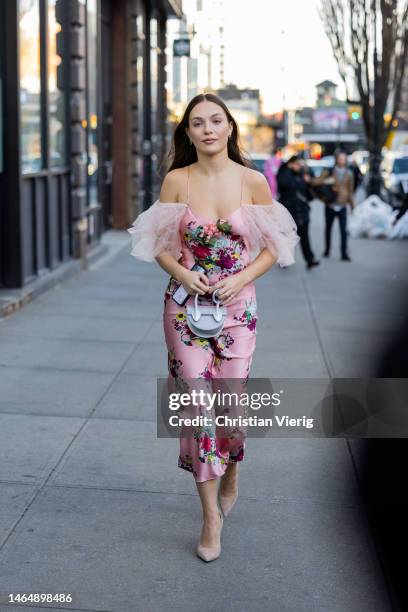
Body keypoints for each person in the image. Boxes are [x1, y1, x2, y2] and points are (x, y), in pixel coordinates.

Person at [127, 93, 299, 563]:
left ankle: (233, 467)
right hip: (184, 312)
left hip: (238, 312)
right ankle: (209, 517)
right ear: (187, 132)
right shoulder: (176, 181)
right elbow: (157, 244)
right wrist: (184, 274)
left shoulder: (253, 181)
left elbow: (274, 246)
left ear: (228, 129)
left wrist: (240, 278)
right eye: (197, 122)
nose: (207, 129)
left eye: (215, 121)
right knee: (197, 407)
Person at [277, 155, 320, 269]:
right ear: (291, 164)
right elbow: (283, 184)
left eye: (300, 164)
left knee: (305, 237)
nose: (299, 166)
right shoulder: (284, 173)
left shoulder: (303, 175)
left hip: (302, 211)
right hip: (288, 212)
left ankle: (310, 260)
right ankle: (284, 260)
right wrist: (287, 169)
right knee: (286, 237)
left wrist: (309, 181)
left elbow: (310, 195)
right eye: (297, 164)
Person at [316, 151, 356, 261]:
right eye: (340, 158)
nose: (342, 161)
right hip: (330, 204)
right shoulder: (329, 171)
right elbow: (317, 182)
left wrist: (353, 206)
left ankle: (344, 253)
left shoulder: (350, 173)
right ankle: (327, 250)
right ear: (336, 160)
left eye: (344, 159)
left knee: (343, 231)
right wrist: (327, 181)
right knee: (328, 229)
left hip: (342, 205)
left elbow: (350, 191)